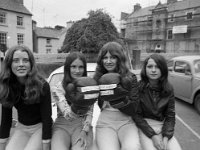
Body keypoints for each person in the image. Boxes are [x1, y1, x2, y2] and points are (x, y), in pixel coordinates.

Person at [0, 45, 52, 150]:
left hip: (40, 127)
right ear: (9, 64)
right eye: (16, 60)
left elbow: (47, 119)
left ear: (31, 64)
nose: (21, 65)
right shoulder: (7, 85)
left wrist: (46, 145)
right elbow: (6, 119)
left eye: (25, 60)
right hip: (22, 128)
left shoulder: (42, 85)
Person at [94, 41, 141, 150]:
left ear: (119, 59)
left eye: (113, 57)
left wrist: (118, 98)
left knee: (132, 147)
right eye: (105, 58)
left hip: (126, 122)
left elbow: (134, 108)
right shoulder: (97, 78)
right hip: (106, 123)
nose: (108, 61)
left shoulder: (130, 77)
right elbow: (87, 104)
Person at [133, 53, 182, 150]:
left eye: (158, 67)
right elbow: (136, 115)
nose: (153, 70)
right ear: (145, 69)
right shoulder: (138, 87)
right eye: (150, 66)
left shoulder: (169, 89)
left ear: (163, 69)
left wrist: (166, 137)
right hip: (144, 127)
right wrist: (153, 136)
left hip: (162, 126)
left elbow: (170, 116)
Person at [51, 52, 99, 150]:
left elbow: (90, 112)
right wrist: (78, 101)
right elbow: (67, 114)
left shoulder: (89, 86)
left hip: (82, 124)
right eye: (73, 66)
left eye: (81, 67)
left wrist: (85, 131)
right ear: (68, 68)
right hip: (61, 125)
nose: (77, 71)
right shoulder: (57, 88)